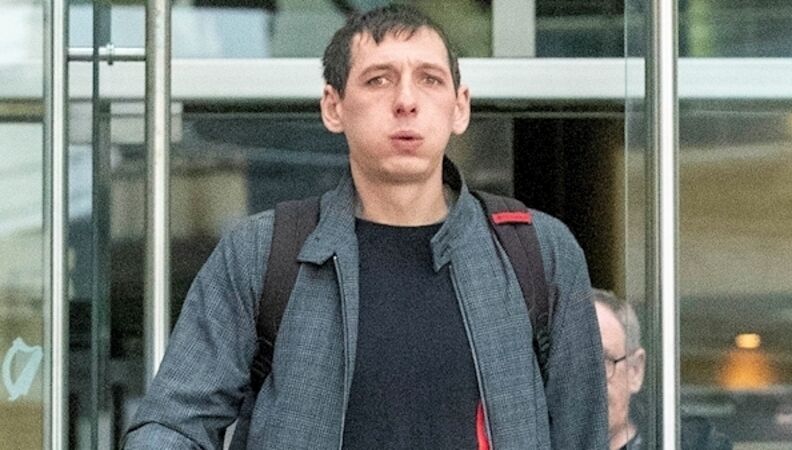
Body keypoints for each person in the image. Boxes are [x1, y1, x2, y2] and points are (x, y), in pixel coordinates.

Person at [124, 5, 607, 449]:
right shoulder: (263, 251)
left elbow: (580, 434)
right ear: (333, 107)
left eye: (430, 80)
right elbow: (174, 424)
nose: (406, 101)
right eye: (378, 80)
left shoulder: (537, 251)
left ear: (460, 107)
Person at [592, 288, 732, 450]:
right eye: (570, 363)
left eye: (602, 362)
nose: (583, 379)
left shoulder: (684, 443)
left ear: (635, 371)